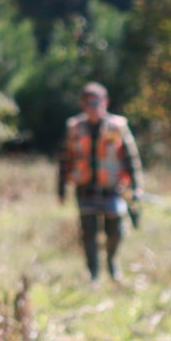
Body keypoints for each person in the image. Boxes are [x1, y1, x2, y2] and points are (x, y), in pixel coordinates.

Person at [58, 82, 144, 282]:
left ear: (105, 102)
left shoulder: (118, 126)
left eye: (96, 102)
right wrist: (61, 188)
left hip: (112, 188)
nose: (92, 107)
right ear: (82, 104)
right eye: (88, 103)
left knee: (116, 230)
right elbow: (64, 159)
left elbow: (131, 158)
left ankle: (112, 263)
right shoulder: (74, 128)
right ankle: (93, 274)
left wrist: (137, 186)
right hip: (85, 189)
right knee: (88, 234)